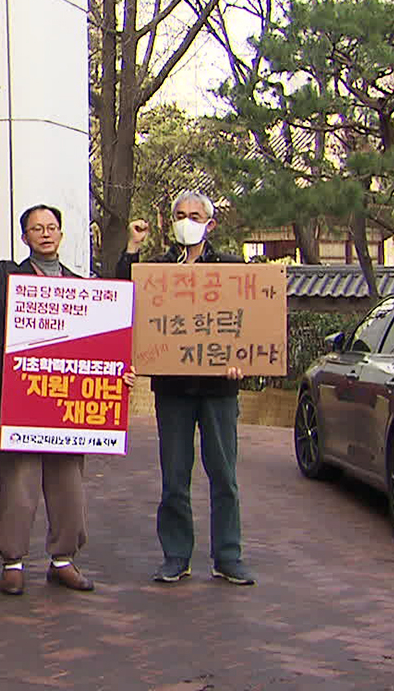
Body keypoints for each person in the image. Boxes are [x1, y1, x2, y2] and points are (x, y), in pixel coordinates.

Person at [0, 201, 135, 596]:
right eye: (37, 228)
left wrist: (117, 373)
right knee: (18, 484)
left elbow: (103, 342)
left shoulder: (80, 286)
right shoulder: (5, 276)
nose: (46, 233)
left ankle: (63, 560)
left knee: (68, 483)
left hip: (65, 407)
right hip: (19, 400)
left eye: (52, 226)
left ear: (61, 233)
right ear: (25, 237)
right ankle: (13, 561)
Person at [115, 191, 253, 586]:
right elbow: (123, 295)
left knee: (224, 475)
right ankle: (176, 555)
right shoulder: (157, 269)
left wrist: (241, 360)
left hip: (219, 391)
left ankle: (229, 556)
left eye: (194, 215)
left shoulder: (229, 268)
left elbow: (247, 321)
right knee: (175, 476)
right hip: (173, 388)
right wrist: (133, 248)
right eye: (179, 214)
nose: (186, 220)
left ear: (210, 224)